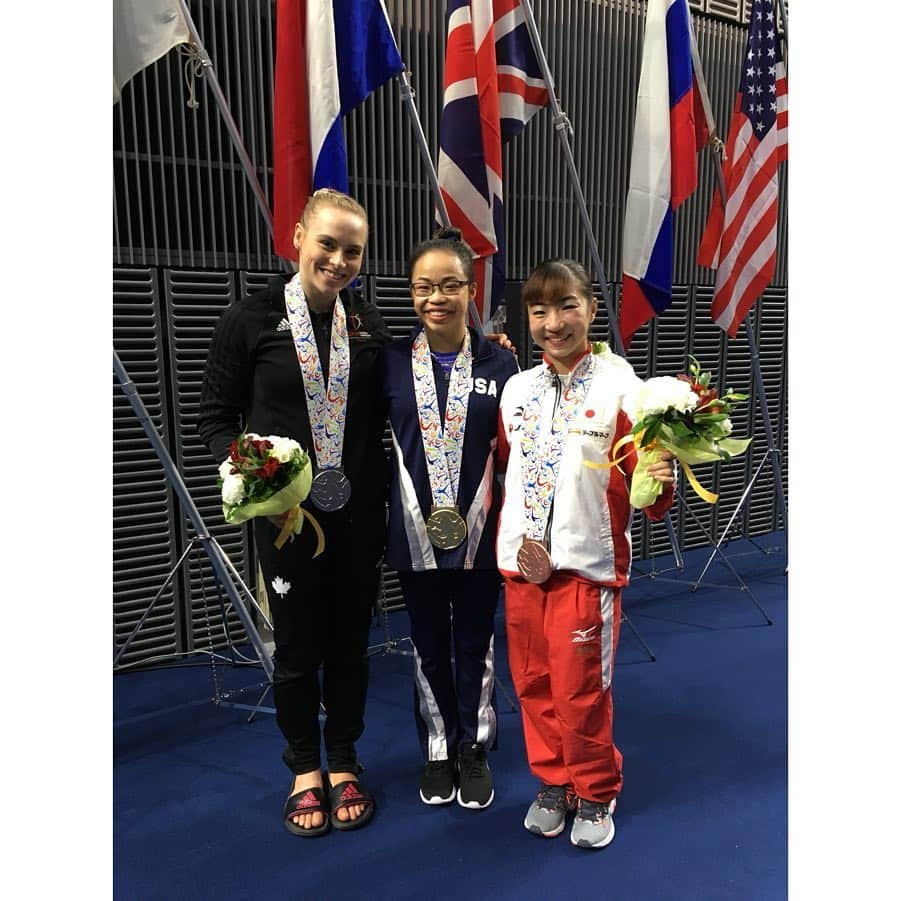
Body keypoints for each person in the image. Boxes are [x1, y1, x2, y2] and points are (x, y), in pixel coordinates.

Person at [197, 189, 391, 837]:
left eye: (352, 251)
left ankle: (343, 758)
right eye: (327, 244)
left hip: (356, 518)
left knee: (350, 647)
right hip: (283, 522)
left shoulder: (368, 325)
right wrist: (257, 484)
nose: (337, 260)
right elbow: (214, 422)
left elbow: (407, 404)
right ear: (298, 237)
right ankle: (304, 767)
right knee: (295, 647)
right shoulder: (248, 319)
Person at [495, 258, 675, 849]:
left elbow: (652, 496)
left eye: (566, 305)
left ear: (592, 309)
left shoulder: (625, 388)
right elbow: (504, 467)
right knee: (533, 685)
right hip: (522, 567)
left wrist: (660, 473)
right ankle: (553, 782)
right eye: (539, 310)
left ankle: (596, 791)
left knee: (581, 691)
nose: (553, 322)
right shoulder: (517, 390)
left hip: (586, 571)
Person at [379, 229, 519, 810]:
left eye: (450, 285)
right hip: (414, 534)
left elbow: (518, 445)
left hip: (481, 535)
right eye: (424, 286)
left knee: (476, 642)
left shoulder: (502, 360)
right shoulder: (387, 362)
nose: (436, 297)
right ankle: (438, 747)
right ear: (411, 292)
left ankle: (473, 747)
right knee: (428, 643)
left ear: (470, 289)